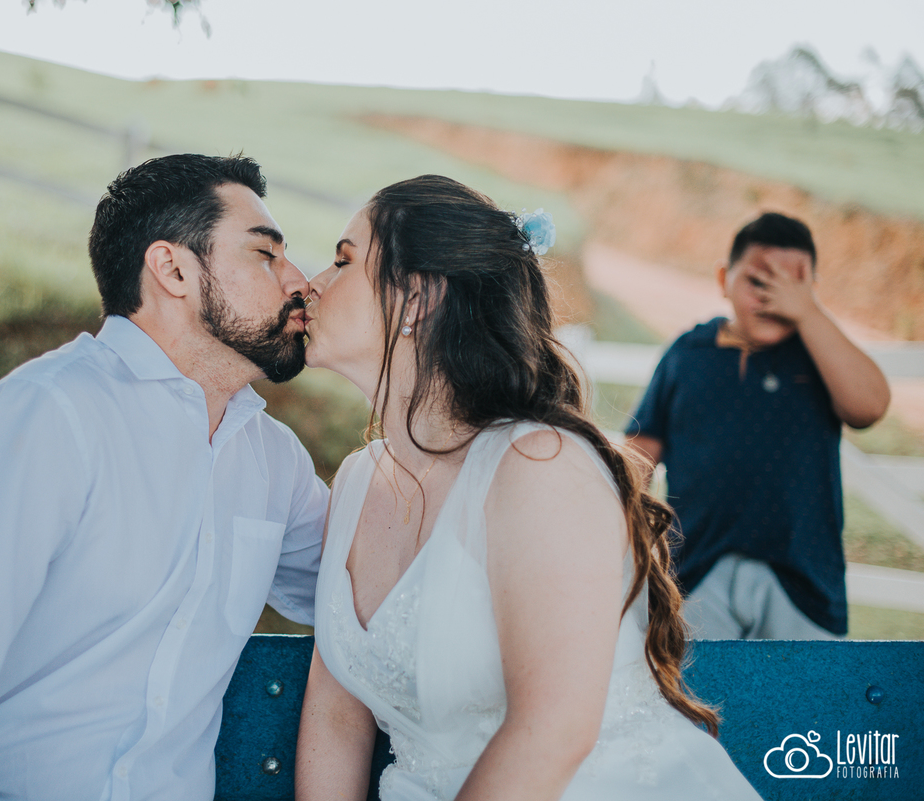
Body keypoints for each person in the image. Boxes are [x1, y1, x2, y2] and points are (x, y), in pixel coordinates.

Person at [0, 154, 329, 801]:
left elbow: (372, 596)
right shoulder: (46, 412)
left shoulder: (275, 459)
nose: (300, 281)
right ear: (173, 270)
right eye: (266, 254)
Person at [295, 175, 761, 801]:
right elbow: (336, 714)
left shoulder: (538, 464)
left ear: (418, 296)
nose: (311, 284)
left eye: (343, 260)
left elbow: (554, 730)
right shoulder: (356, 482)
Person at [625, 212, 890, 640]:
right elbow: (641, 450)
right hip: (696, 572)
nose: (773, 298)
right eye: (758, 281)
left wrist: (809, 314)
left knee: (803, 683)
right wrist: (630, 537)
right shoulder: (687, 354)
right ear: (723, 279)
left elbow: (869, 407)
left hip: (802, 581)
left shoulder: (820, 355)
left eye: (793, 286)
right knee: (697, 680)